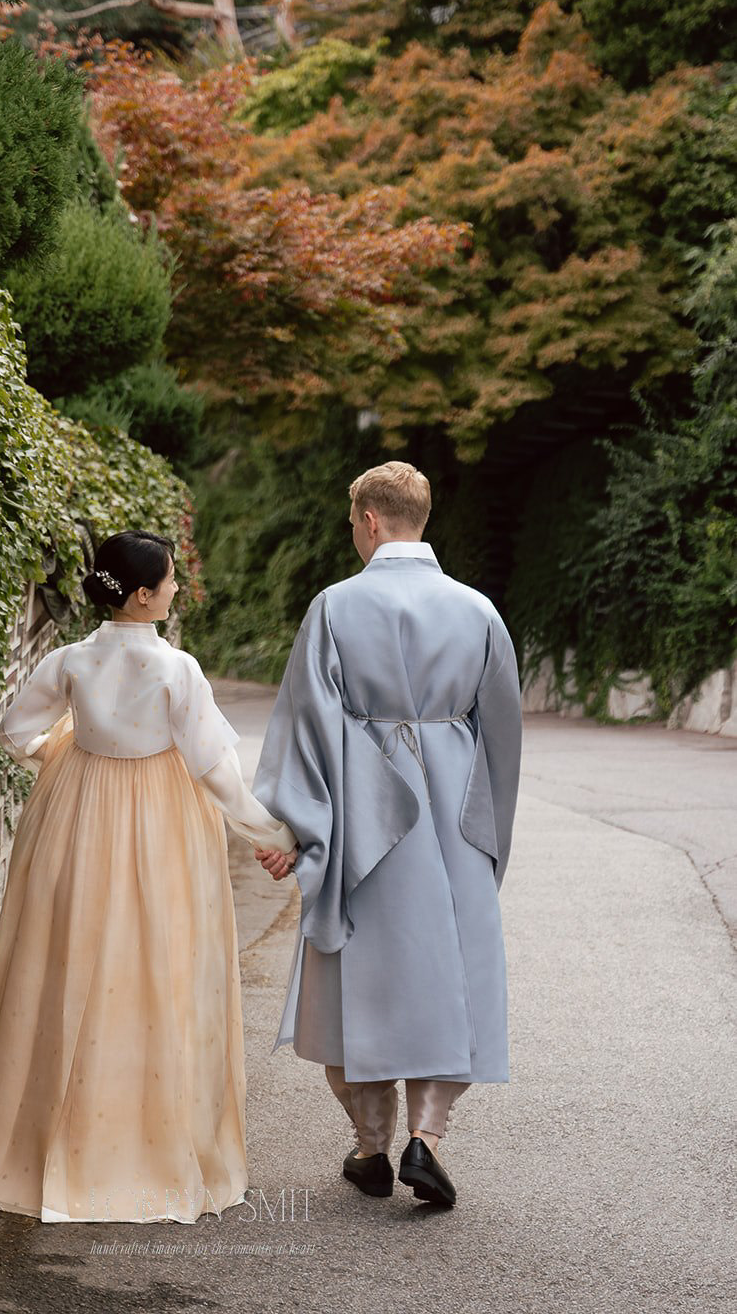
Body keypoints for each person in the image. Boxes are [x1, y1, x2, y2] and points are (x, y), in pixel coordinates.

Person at [0, 529, 296, 1224]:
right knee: (156, 968)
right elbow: (216, 775)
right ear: (141, 595)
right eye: (168, 582)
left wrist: (67, 753)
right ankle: (148, 1144)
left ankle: (38, 1144)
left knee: (60, 963)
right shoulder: (176, 670)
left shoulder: (69, 659)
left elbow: (14, 736)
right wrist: (273, 835)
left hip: (74, 818)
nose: (174, 591)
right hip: (161, 828)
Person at [252, 462, 521, 1208]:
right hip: (455, 806)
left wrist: (297, 830)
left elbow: (306, 727)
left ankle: (370, 1145)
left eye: (350, 521)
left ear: (370, 520)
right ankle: (425, 1139)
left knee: (356, 975)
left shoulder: (336, 607)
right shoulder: (477, 611)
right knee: (452, 972)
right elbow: (501, 733)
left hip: (362, 807)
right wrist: (486, 834)